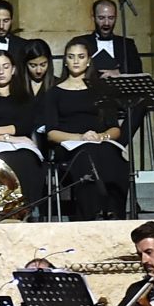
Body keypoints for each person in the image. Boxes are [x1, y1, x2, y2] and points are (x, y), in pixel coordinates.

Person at [40, 40, 130, 219]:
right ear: (65, 60)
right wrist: (80, 137)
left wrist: (101, 136)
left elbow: (115, 129)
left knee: (113, 156)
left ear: (88, 60)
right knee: (87, 155)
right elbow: (51, 133)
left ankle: (115, 212)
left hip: (100, 141)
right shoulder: (53, 93)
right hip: (69, 145)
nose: (75, 61)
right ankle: (90, 215)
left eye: (80, 57)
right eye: (71, 57)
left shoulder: (101, 89)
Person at [0, 50, 48, 206]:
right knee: (4, 160)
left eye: (5, 67)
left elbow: (26, 125)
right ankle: (2, 209)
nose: (1, 72)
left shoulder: (25, 98)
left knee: (28, 160)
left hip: (21, 147)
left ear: (13, 70)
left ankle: (26, 209)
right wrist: (11, 137)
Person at [66, 0, 144, 82]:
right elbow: (69, 71)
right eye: (101, 18)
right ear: (93, 18)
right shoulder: (81, 42)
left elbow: (137, 71)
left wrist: (119, 72)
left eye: (111, 18)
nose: (106, 23)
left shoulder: (127, 44)